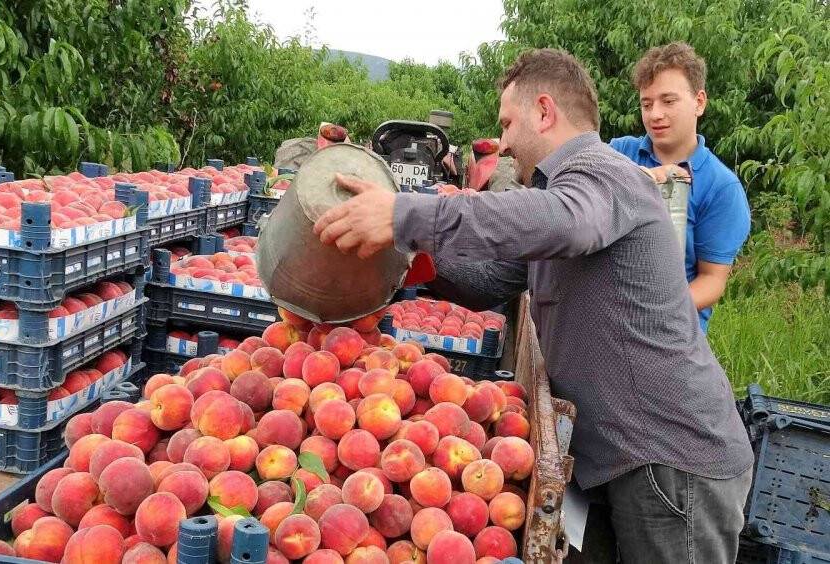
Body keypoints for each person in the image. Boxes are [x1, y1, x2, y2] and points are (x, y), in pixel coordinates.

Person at [313, 48, 753, 563]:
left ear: (544, 111)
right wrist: (402, 260)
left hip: (671, 459)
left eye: (506, 124)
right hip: (625, 458)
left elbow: (567, 220)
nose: (502, 144)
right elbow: (488, 280)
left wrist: (407, 214)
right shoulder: (565, 194)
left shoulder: (605, 174)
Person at [610, 42, 751, 333]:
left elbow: (712, 279)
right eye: (646, 104)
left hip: (672, 336)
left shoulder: (721, 187)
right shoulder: (620, 152)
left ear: (699, 102)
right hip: (607, 325)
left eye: (668, 101)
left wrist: (655, 310)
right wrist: (643, 177)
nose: (655, 114)